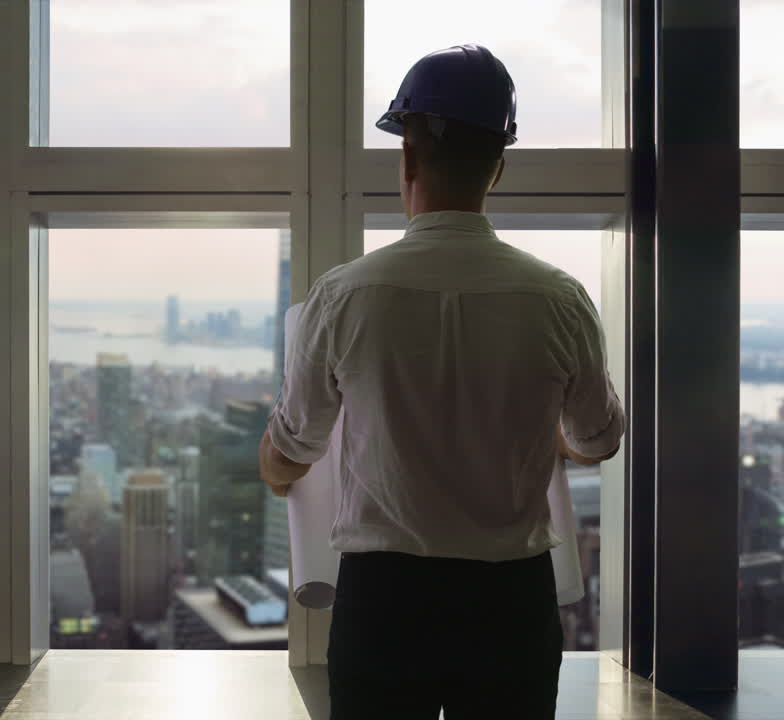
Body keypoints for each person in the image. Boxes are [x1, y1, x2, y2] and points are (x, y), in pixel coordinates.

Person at [258, 44, 625, 720]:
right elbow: (597, 440)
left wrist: (278, 471)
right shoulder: (559, 298)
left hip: (385, 600)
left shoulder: (343, 297)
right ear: (499, 167)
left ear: (407, 159)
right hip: (510, 601)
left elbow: (291, 448)